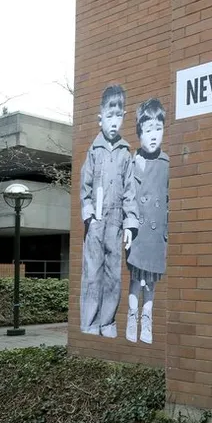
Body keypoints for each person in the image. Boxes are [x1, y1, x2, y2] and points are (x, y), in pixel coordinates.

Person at [79, 85, 138, 338]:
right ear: (100, 118)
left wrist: (129, 223)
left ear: (123, 117)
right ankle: (90, 323)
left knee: (114, 275)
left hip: (116, 222)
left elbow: (130, 191)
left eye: (118, 116)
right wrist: (90, 216)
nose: (114, 122)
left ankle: (108, 322)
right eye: (109, 116)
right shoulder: (94, 151)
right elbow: (85, 186)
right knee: (93, 274)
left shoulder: (127, 153)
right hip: (97, 221)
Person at [125, 98, 169, 344]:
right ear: (140, 132)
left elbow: (170, 198)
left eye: (158, 129)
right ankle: (132, 316)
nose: (154, 136)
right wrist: (128, 225)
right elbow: (127, 196)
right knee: (135, 279)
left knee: (150, 282)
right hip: (138, 231)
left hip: (156, 233)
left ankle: (147, 318)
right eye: (148, 130)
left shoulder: (166, 163)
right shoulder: (133, 161)